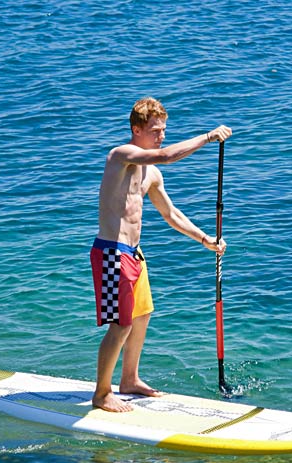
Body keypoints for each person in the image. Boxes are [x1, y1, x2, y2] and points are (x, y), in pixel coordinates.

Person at [90, 97, 232, 412]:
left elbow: (171, 214)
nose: (161, 136)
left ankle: (129, 380)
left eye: (164, 130)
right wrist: (208, 137)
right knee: (121, 324)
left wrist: (205, 239)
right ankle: (101, 394)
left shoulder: (151, 174)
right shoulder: (121, 156)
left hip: (134, 254)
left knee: (142, 315)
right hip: (112, 252)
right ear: (136, 129)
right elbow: (166, 156)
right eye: (155, 130)